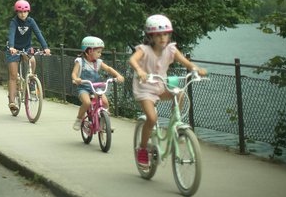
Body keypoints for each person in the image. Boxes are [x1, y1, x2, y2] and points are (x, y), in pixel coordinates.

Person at [129, 14, 207, 167]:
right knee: (151, 119)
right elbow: (132, 60)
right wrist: (139, 70)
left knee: (180, 93)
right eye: (158, 35)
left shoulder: (171, 50)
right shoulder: (144, 50)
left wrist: (195, 69)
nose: (163, 38)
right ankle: (143, 149)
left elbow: (186, 63)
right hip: (145, 89)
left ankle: (175, 124)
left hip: (161, 86)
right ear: (150, 36)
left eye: (165, 34)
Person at [6, 0, 51, 114]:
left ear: (28, 12)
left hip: (26, 48)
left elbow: (38, 34)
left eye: (25, 12)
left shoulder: (31, 22)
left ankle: (31, 82)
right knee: (13, 76)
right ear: (17, 12)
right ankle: (12, 102)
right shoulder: (14, 22)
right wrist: (11, 47)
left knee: (32, 60)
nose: (23, 14)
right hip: (14, 49)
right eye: (20, 12)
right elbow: (11, 34)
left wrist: (45, 47)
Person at [71, 36, 124, 130]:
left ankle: (104, 123)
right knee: (87, 103)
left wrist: (118, 75)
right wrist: (76, 79)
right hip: (83, 88)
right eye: (98, 52)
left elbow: (108, 68)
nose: (100, 54)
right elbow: (74, 74)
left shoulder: (98, 62)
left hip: (96, 88)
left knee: (105, 102)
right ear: (89, 51)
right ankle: (79, 119)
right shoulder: (80, 62)